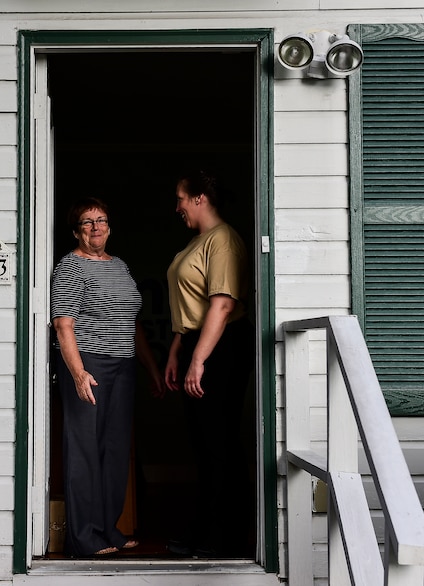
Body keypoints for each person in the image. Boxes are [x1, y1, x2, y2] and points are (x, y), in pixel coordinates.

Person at [51, 196, 164, 558]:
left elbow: (132, 324)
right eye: (87, 221)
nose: (96, 226)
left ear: (109, 227)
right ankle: (83, 538)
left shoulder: (119, 266)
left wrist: (151, 368)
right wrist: (78, 372)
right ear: (76, 231)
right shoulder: (70, 267)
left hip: (123, 364)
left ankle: (107, 529)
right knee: (84, 450)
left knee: (114, 451)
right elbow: (63, 325)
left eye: (101, 220)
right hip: (90, 365)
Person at [164, 170, 254, 558]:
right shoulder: (198, 242)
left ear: (200, 198)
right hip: (197, 344)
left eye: (181, 198)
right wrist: (176, 350)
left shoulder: (224, 241)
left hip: (221, 348)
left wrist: (198, 360)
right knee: (203, 445)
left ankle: (223, 538)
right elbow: (192, 306)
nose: (178, 206)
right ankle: (205, 532)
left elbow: (222, 304)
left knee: (218, 444)